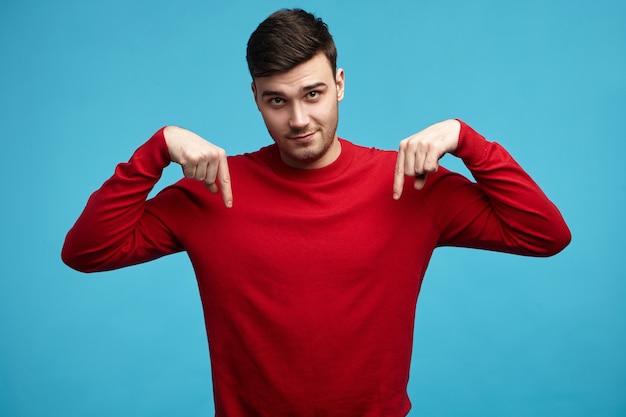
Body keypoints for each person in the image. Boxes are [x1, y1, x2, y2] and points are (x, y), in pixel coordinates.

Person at [62, 8, 571, 417]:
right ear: (255, 100)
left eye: (313, 94)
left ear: (341, 83)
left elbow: (545, 234)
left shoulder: (410, 185)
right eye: (277, 101)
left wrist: (466, 139)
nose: (299, 119)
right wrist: (159, 147)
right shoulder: (213, 190)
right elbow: (87, 251)